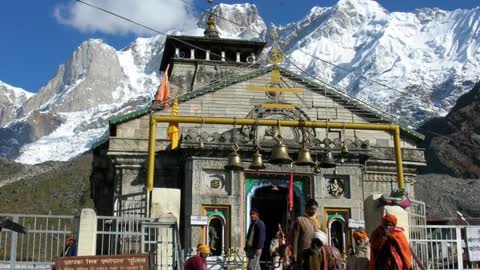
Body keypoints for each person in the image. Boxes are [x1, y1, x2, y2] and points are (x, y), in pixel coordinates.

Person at [291, 198, 324, 266]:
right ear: (306, 208)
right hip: (303, 254)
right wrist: (294, 254)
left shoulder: (313, 221)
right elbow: (295, 238)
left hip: (313, 254)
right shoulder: (300, 220)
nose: (314, 211)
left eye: (315, 209)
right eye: (312, 209)